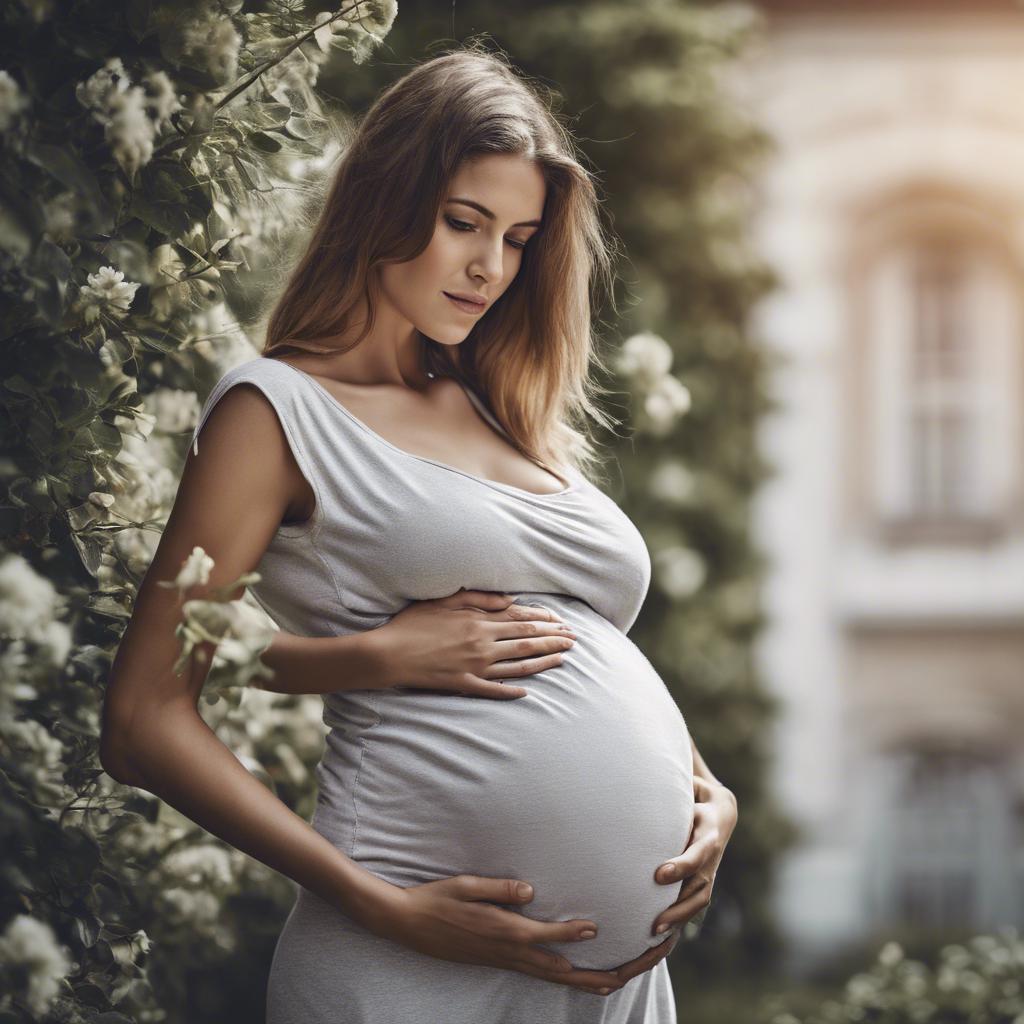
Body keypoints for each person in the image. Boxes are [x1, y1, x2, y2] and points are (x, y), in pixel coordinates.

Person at [100, 44, 738, 1024]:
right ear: (385, 203)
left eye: (519, 238)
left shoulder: (500, 407)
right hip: (406, 962)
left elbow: (579, 642)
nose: (490, 267)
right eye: (462, 223)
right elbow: (145, 713)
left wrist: (704, 790)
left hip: (610, 989)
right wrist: (380, 900)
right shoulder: (276, 413)